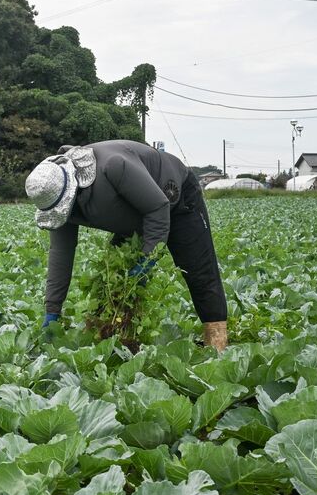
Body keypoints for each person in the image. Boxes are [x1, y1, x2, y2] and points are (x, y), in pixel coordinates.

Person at [25, 140, 227, 351]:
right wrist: (52, 310)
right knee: (113, 283)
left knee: (198, 269)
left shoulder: (114, 166)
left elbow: (158, 208)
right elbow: (61, 254)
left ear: (74, 189)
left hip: (174, 198)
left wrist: (145, 262)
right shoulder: (56, 201)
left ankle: (217, 343)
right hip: (133, 218)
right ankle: (117, 345)